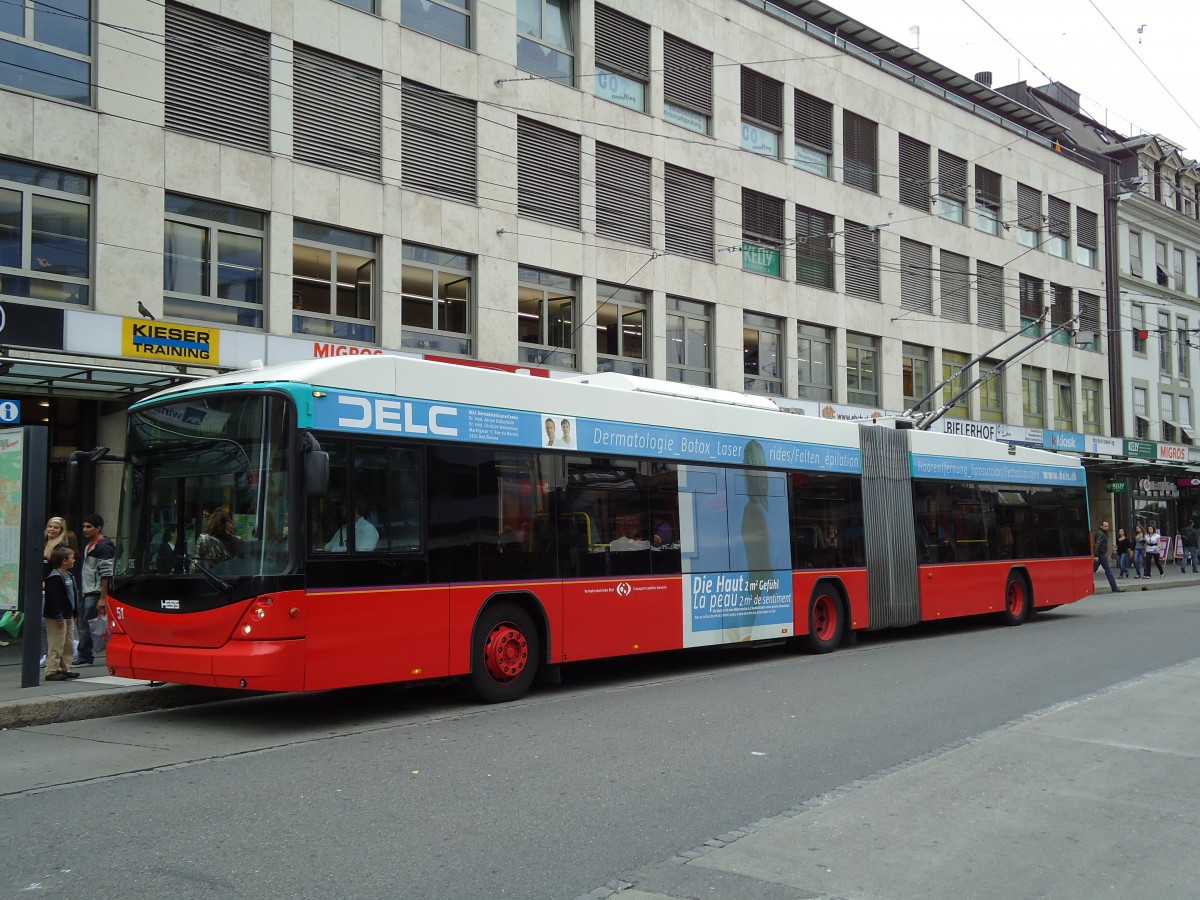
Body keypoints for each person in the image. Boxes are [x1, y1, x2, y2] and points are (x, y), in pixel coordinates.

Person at [74, 513, 114, 667]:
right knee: (85, 624)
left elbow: (106, 574)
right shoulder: (90, 546)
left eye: (89, 527)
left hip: (94, 591)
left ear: (98, 528)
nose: (85, 529)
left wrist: (103, 597)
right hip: (88, 589)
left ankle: (85, 654)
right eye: (84, 526)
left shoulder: (103, 547)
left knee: (86, 624)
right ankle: (85, 653)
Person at [43, 545, 80, 681]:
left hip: (68, 614)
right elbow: (53, 599)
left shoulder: (69, 575)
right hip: (57, 616)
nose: (74, 561)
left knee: (68, 643)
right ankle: (52, 670)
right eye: (72, 558)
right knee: (56, 643)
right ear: (64, 561)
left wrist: (75, 613)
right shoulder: (54, 577)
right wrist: (58, 616)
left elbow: (73, 596)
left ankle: (65, 668)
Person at [1092, 521, 1124, 593]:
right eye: (1105, 526)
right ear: (1101, 526)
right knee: (1108, 571)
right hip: (1101, 554)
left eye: (1107, 526)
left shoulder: (1101, 533)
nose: (1107, 527)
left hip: (1100, 554)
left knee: (1092, 570)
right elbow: (1097, 544)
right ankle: (1114, 587)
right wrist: (1096, 555)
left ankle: (1114, 587)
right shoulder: (1101, 534)